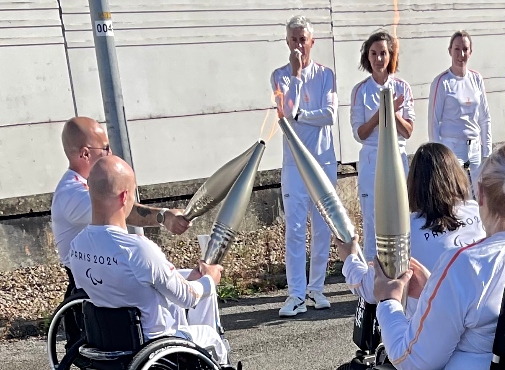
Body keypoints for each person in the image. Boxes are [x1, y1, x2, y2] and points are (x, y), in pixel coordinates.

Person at [340, 140, 505, 370]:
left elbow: (411, 359)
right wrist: (432, 292)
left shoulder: (466, 265)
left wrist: (388, 301)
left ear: (481, 195)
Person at [69, 156, 231, 366]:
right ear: (125, 196)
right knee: (210, 336)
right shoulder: (137, 249)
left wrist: (189, 277)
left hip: (109, 344)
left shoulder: (77, 247)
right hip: (155, 345)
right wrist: (209, 279)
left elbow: (120, 281)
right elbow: (187, 298)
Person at [50, 116, 191, 351]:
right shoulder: (73, 193)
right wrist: (164, 216)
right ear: (85, 154)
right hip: (95, 283)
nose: (111, 152)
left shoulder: (84, 185)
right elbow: (121, 207)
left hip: (96, 273)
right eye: (105, 148)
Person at [337, 142, 486, 318]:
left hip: (430, 332)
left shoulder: (405, 232)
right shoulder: (479, 212)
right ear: (457, 176)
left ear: (413, 184)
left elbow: (370, 289)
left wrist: (350, 258)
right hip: (481, 321)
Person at [270, 15, 338, 317]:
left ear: (312, 42)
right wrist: (296, 76)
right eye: (294, 39)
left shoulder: (326, 75)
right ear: (287, 42)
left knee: (323, 227)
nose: (299, 45)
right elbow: (285, 114)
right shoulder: (280, 76)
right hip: (295, 164)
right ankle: (295, 293)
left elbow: (330, 115)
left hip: (322, 160)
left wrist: (301, 115)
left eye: (303, 39)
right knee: (295, 229)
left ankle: (316, 289)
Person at [351, 30, 416, 261]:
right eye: (374, 54)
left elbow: (408, 132)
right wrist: (381, 112)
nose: (379, 59)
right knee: (372, 219)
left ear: (391, 56)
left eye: (384, 54)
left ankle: (402, 273)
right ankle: (371, 283)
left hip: (397, 158)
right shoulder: (360, 90)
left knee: (400, 215)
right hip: (371, 158)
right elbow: (360, 133)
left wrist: (394, 113)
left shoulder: (403, 87)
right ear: (367, 57)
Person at [429, 30, 492, 194]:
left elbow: (485, 118)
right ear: (450, 51)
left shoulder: (476, 79)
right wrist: (438, 157)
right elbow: (434, 123)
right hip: (453, 148)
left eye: (465, 49)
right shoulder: (442, 82)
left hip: (475, 148)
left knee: (480, 197)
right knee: (458, 196)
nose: (461, 54)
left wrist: (487, 153)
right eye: (457, 49)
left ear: (470, 52)